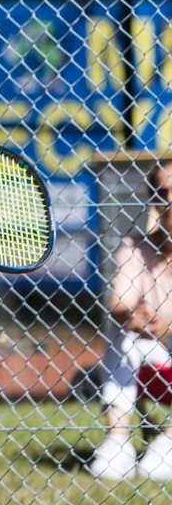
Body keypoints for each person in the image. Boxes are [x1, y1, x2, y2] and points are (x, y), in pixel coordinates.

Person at [89, 158, 172, 481]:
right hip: (152, 354)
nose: (169, 200)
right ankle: (118, 441)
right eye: (162, 192)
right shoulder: (137, 247)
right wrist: (134, 315)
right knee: (119, 331)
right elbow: (120, 302)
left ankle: (167, 442)